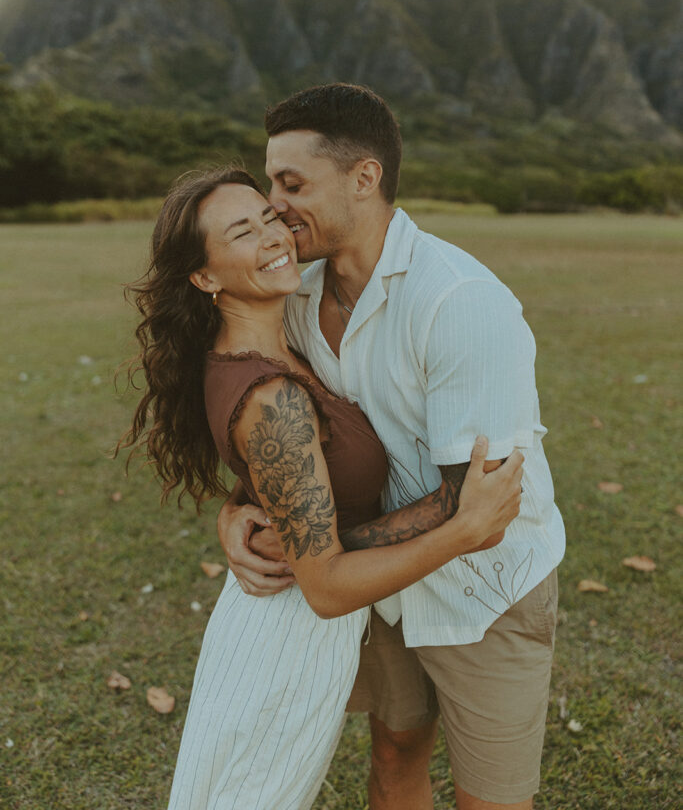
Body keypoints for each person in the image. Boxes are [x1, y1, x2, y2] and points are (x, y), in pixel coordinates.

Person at [121, 165, 524, 810]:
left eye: (270, 216)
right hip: (288, 639)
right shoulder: (272, 392)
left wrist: (237, 509)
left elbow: (285, 475)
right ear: (205, 277)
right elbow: (328, 586)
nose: (274, 235)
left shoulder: (278, 344)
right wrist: (464, 530)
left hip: (287, 620)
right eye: (242, 232)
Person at [219, 83, 566, 810]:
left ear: (364, 178)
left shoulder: (458, 300)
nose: (274, 205)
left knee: (490, 801)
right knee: (394, 748)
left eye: (291, 183)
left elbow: (472, 506)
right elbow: (289, 433)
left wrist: (316, 546)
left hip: (486, 591)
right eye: (268, 183)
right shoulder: (300, 296)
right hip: (380, 591)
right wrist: (242, 510)